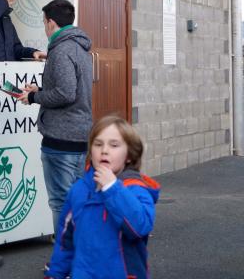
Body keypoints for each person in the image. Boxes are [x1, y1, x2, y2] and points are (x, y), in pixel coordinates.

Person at [43, 115, 161, 279]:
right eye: (98, 144)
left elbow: (139, 227)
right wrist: (55, 273)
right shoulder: (79, 190)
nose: (104, 150)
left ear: (129, 155)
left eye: (114, 145)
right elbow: (65, 241)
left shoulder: (136, 189)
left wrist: (112, 189)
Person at [18, 0, 92, 240]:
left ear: (50, 23)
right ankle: (79, 257)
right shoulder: (80, 47)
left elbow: (65, 93)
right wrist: (38, 89)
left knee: (61, 203)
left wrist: (34, 97)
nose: (44, 27)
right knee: (77, 200)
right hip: (79, 135)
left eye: (44, 22)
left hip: (60, 137)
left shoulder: (61, 50)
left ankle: (65, 260)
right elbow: (71, 87)